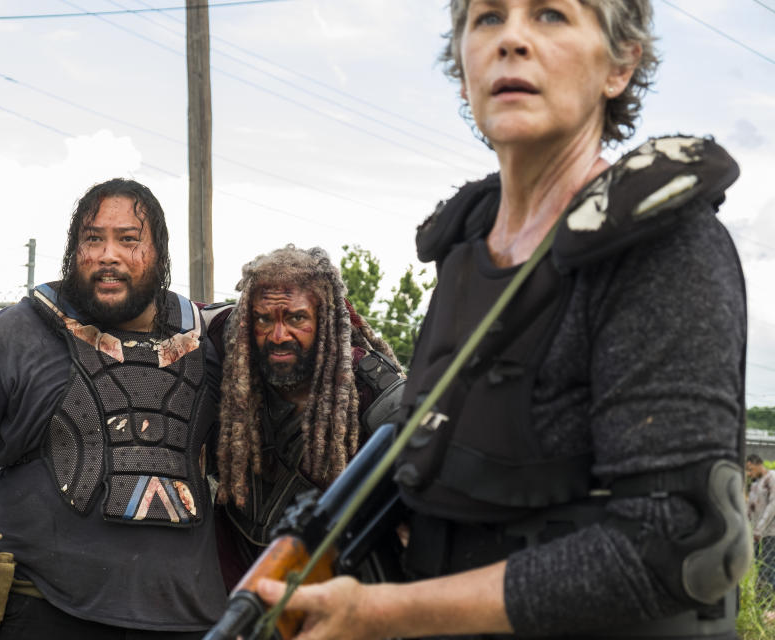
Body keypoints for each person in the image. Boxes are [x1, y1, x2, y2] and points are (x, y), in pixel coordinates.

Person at [257, 1, 751, 639]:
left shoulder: (662, 245)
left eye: (551, 15)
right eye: (487, 18)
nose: (513, 39)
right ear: (462, 71)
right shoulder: (462, 250)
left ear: (620, 64)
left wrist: (383, 615)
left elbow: (683, 542)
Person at [0, 178, 227, 640]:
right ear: (74, 251)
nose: (108, 254)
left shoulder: (213, 343)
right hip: (43, 610)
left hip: (188, 617)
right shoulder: (12, 336)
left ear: (159, 252)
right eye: (93, 239)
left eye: (128, 239)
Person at [209, 246, 405, 583]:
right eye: (264, 319)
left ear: (325, 318)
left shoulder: (376, 394)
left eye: (296, 318)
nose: (279, 335)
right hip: (235, 581)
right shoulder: (232, 348)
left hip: (333, 589)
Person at [747, 454, 775, 593]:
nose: (748, 473)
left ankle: (769, 598)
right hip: (756, 534)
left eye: (750, 469)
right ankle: (763, 596)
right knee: (759, 565)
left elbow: (773, 505)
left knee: (768, 565)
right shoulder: (755, 483)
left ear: (758, 464)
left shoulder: (772, 478)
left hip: (770, 532)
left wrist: (760, 528)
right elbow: (750, 507)